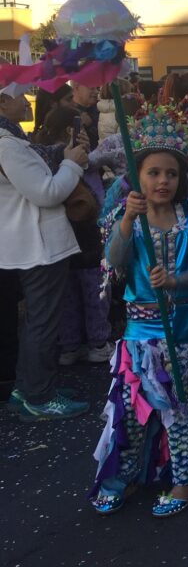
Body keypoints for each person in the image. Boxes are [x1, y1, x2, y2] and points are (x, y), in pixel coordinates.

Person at [91, 104, 188, 517]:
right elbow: (114, 262)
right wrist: (125, 223)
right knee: (132, 411)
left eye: (171, 173)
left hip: (183, 328)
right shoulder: (126, 217)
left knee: (179, 408)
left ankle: (185, 482)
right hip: (139, 333)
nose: (163, 181)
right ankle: (123, 476)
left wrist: (174, 281)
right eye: (153, 172)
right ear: (136, 176)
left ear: (181, 177)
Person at [0, 83, 92, 421]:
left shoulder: (13, 143)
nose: (27, 102)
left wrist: (66, 155)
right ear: (2, 101)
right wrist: (72, 164)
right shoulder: (7, 146)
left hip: (33, 242)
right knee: (42, 322)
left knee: (38, 321)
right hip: (38, 245)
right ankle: (39, 396)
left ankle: (29, 388)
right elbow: (46, 192)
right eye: (19, 97)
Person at [33, 106, 113, 366]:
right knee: (94, 290)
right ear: (71, 130)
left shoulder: (38, 155)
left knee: (66, 293)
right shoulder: (73, 157)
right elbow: (93, 192)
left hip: (55, 235)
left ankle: (69, 345)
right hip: (85, 231)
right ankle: (98, 343)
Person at [70, 80, 100, 149]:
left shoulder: (101, 108)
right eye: (92, 88)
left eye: (97, 88)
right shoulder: (68, 113)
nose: (96, 92)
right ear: (77, 87)